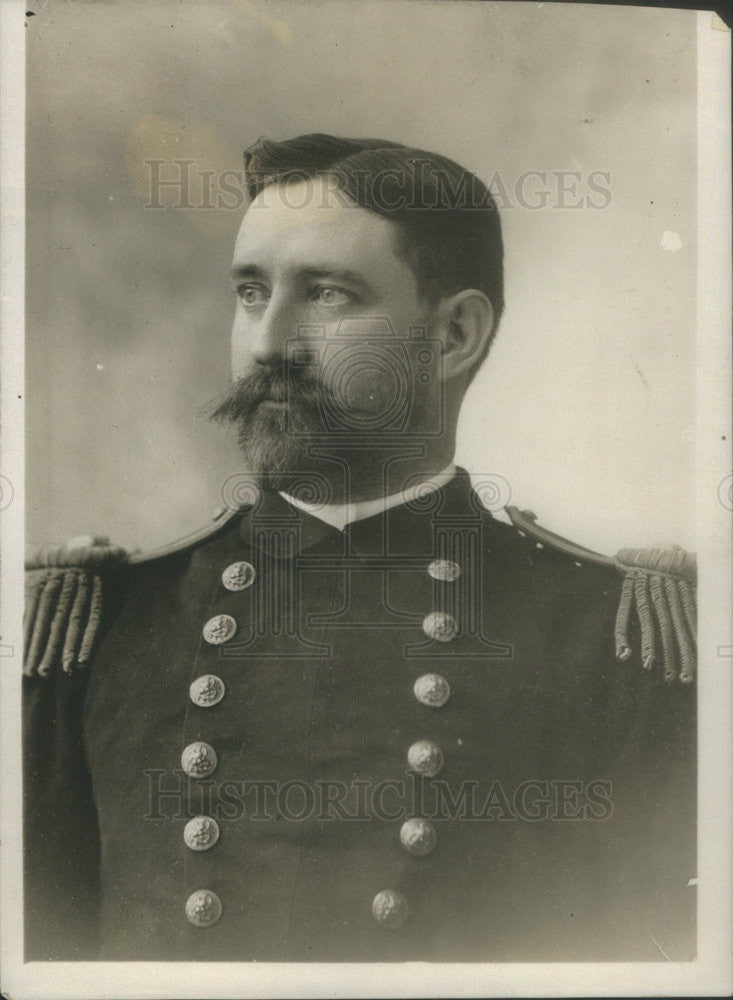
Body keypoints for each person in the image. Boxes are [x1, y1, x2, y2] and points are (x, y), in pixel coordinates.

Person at [23, 133, 696, 962]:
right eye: (249, 292)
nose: (268, 344)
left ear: (453, 335)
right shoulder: (97, 632)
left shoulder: (613, 640)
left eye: (329, 295)